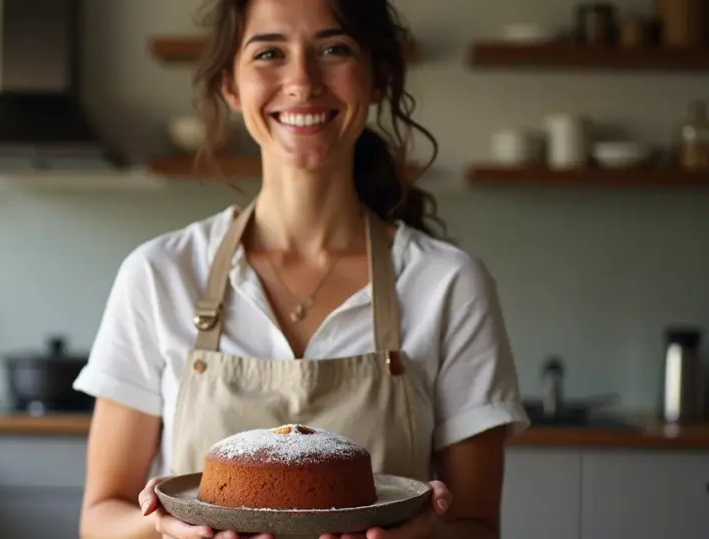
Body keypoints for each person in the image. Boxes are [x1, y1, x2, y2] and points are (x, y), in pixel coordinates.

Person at [72, 0, 530, 537]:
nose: (302, 81)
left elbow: (477, 527)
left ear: (378, 78)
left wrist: (428, 534)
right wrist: (164, 528)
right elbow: (99, 519)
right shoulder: (161, 275)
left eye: (334, 49)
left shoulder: (448, 284)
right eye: (269, 53)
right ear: (231, 87)